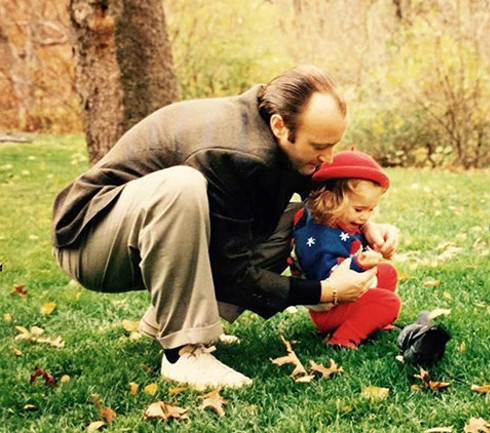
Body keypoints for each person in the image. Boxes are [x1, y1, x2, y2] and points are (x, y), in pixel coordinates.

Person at [50, 66, 399, 389]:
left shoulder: (274, 128)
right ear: (279, 126)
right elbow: (233, 270)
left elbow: (317, 192)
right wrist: (327, 292)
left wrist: (364, 223)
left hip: (142, 232)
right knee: (182, 187)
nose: (328, 157)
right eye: (320, 146)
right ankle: (182, 353)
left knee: (288, 219)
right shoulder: (235, 152)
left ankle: (170, 320)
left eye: (334, 145)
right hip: (90, 239)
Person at [290, 150, 401, 349]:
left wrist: (371, 232)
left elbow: (357, 234)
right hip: (329, 307)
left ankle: (367, 319)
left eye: (371, 209)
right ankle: (344, 338)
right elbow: (328, 278)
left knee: (388, 273)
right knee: (389, 303)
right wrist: (359, 264)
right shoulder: (318, 237)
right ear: (330, 200)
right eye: (359, 209)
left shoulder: (338, 219)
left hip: (346, 296)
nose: (365, 217)